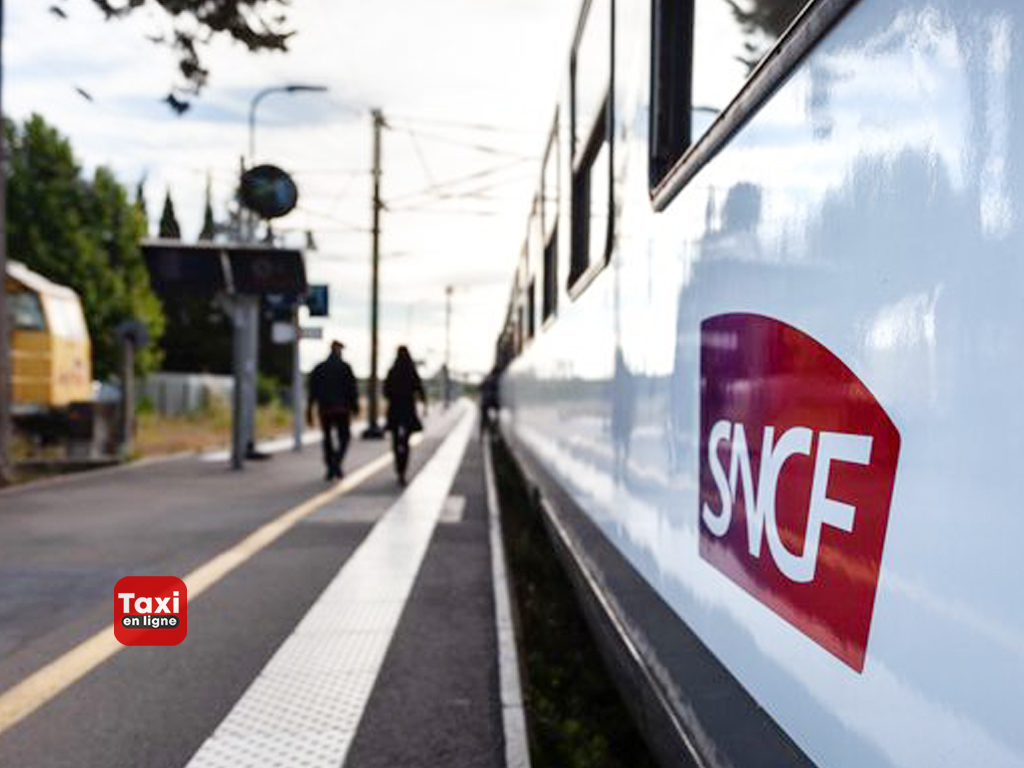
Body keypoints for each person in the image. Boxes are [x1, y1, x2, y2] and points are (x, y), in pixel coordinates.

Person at [307, 341, 360, 480]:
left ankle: (331, 466)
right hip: (342, 409)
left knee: (327, 438)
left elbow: (312, 390)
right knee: (345, 437)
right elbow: (352, 389)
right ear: (339, 351)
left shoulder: (320, 367)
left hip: (325, 409)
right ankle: (336, 463)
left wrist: (309, 409)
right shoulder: (345, 367)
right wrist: (355, 407)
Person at [383, 346, 426, 485]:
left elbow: (385, 391)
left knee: (395, 440)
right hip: (408, 410)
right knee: (406, 442)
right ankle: (402, 471)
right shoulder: (411, 371)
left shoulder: (392, 371)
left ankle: (398, 465)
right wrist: (424, 405)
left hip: (394, 409)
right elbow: (420, 389)